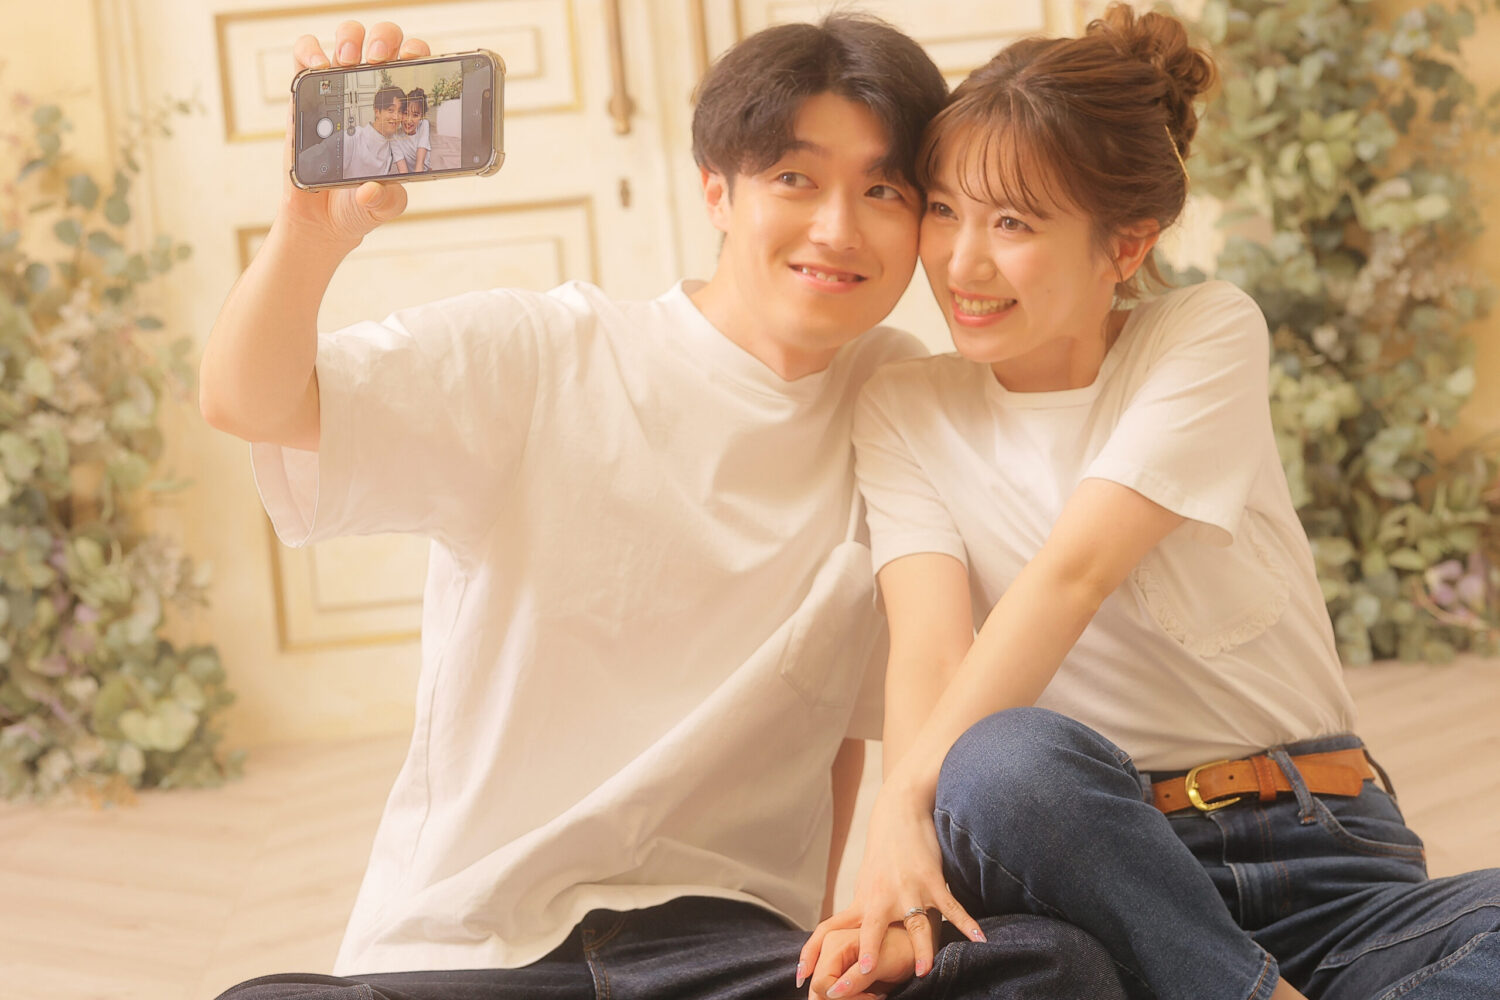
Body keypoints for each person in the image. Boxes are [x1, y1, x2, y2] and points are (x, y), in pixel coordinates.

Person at [200, 16, 1124, 1000]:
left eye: (883, 191)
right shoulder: (545, 357)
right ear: (716, 190)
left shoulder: (905, 409)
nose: (837, 228)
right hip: (481, 950)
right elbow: (252, 401)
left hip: (724, 952)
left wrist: (833, 936)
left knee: (1051, 966)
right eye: (795, 178)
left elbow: (836, 728)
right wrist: (310, 232)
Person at [798, 5, 1500, 1000]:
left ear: (1125, 247)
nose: (961, 262)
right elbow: (930, 653)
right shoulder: (905, 406)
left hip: (1320, 854)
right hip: (1094, 869)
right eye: (945, 209)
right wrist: (904, 858)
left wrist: (900, 801)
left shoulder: (1203, 332)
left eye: (1013, 222)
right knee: (1002, 760)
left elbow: (1076, 572)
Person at [341, 84, 405, 179]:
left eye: (400, 111)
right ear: (377, 112)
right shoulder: (352, 138)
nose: (396, 117)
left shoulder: (392, 143)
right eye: (390, 110)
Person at [392, 88, 431, 173]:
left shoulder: (424, 124)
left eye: (415, 115)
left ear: (421, 117)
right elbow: (403, 171)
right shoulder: (394, 137)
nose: (409, 120)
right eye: (406, 113)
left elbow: (420, 164)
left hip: (424, 172)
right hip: (410, 176)